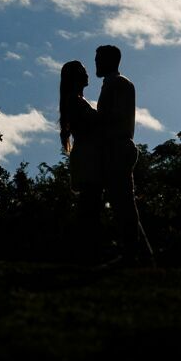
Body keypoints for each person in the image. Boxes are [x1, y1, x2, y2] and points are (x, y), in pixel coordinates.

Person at [95, 44, 153, 264]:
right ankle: (141, 255)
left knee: (124, 204)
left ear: (110, 60)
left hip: (118, 147)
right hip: (116, 147)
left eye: (99, 59)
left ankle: (133, 255)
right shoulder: (114, 83)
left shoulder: (118, 84)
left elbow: (113, 117)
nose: (96, 64)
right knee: (122, 203)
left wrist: (93, 119)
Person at [58, 60, 104, 259]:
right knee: (90, 204)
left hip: (86, 154)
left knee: (90, 203)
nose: (87, 75)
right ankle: (86, 251)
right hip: (87, 156)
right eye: (83, 72)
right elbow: (94, 125)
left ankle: (86, 249)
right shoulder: (75, 101)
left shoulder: (74, 100)